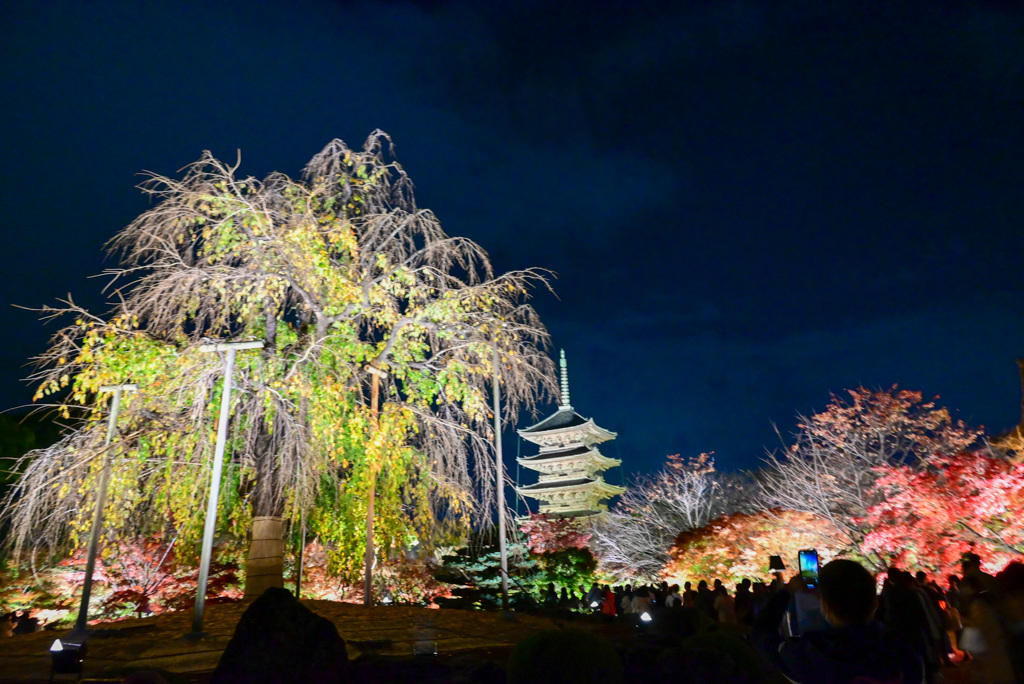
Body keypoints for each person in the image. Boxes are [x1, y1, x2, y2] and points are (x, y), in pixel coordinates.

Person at [752, 559, 924, 684]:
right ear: (874, 604)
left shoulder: (809, 653)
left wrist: (786, 592)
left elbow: (761, 635)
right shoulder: (904, 649)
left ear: (825, 607)